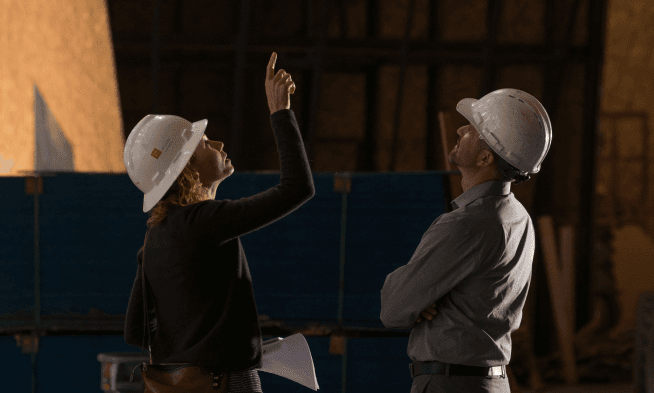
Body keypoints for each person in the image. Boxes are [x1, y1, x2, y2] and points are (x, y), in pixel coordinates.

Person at [123, 52, 552, 393]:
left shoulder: (154, 240)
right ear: (187, 172)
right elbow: (296, 188)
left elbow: (135, 328)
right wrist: (280, 112)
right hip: (223, 383)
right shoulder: (518, 220)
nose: (216, 141)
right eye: (202, 143)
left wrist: (188, 346)